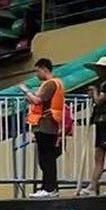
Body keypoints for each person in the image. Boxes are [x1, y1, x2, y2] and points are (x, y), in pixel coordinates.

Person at [22, 58, 64, 196]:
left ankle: (49, 188)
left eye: (37, 71)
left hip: (46, 124)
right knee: (47, 158)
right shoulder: (56, 83)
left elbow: (37, 100)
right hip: (49, 124)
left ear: (44, 69)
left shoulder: (50, 84)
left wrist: (25, 91)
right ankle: (48, 186)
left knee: (46, 158)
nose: (36, 74)